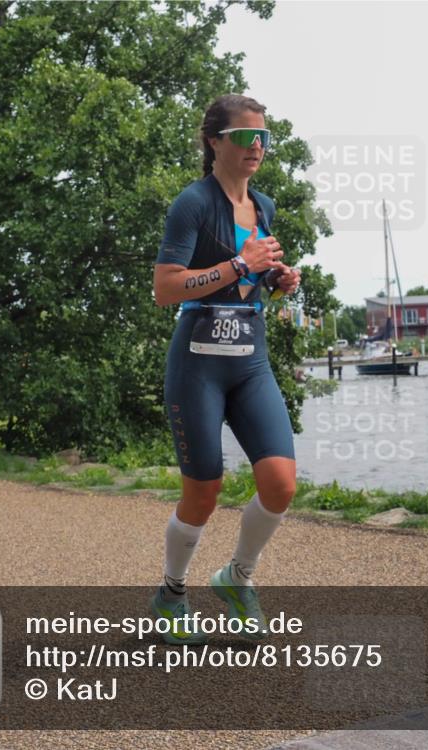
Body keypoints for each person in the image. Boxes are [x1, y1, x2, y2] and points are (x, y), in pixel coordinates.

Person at [151, 94, 301, 645]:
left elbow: (246, 280)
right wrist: (242, 264)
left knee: (281, 483)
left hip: (250, 358)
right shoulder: (192, 203)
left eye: (263, 137)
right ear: (215, 141)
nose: (256, 146)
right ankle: (171, 592)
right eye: (245, 136)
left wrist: (275, 278)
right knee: (204, 490)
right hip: (198, 361)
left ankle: (237, 578)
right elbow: (165, 289)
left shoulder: (264, 206)